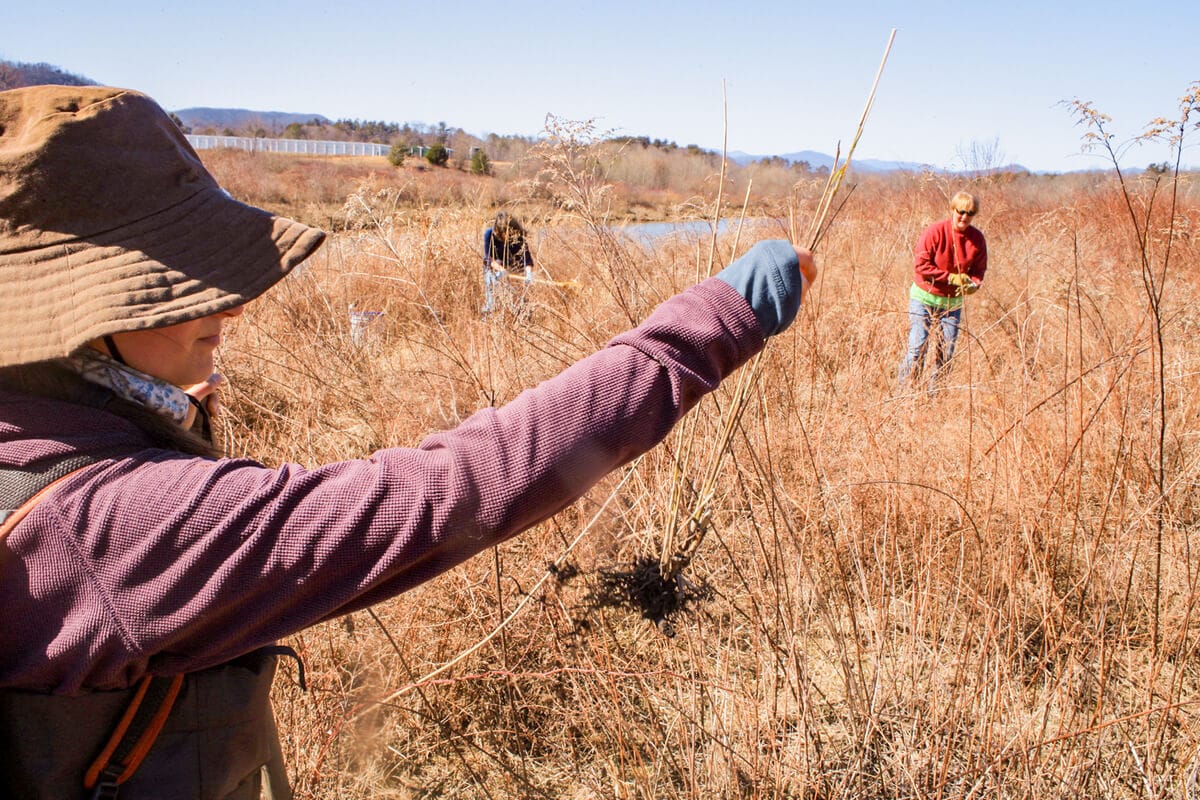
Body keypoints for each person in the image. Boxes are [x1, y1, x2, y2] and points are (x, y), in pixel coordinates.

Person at [0, 85, 816, 799]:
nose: (233, 306)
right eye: (188, 284)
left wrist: (159, 421)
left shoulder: (37, 429)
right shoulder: (104, 528)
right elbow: (450, 491)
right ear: (79, 315)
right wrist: (712, 324)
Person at [897, 190, 988, 389]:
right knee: (918, 348)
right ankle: (904, 393)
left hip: (951, 304)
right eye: (961, 211)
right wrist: (949, 277)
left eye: (970, 213)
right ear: (953, 210)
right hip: (924, 298)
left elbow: (979, 271)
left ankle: (935, 397)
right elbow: (920, 266)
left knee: (945, 352)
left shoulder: (977, 239)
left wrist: (973, 285)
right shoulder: (935, 232)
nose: (965, 216)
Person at [481, 211, 534, 314]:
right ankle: (488, 312)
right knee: (491, 295)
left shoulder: (518, 238)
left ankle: (521, 315)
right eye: (505, 232)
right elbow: (488, 259)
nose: (508, 236)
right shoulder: (489, 234)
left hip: (514, 269)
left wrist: (529, 274)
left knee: (518, 299)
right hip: (495, 269)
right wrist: (502, 270)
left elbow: (528, 261)